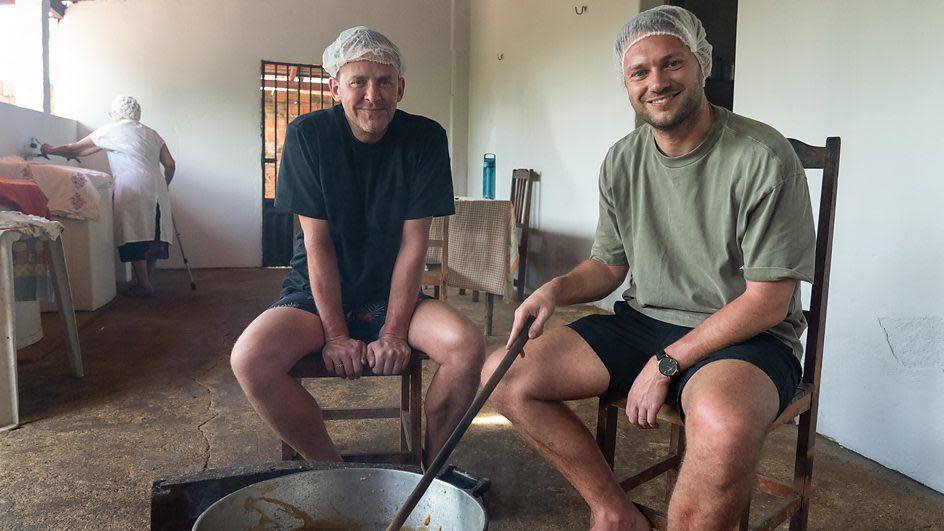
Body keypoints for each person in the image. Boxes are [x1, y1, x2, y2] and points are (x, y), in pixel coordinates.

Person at [481, 6, 815, 530]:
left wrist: (667, 362)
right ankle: (615, 511)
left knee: (724, 427)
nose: (656, 82)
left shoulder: (762, 156)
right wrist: (555, 290)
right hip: (645, 321)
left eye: (672, 64)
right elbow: (607, 266)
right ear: (626, 83)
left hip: (747, 335)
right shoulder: (622, 159)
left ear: (702, 63)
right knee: (503, 375)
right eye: (639, 72)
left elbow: (767, 301)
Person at [230, 27, 484, 466]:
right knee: (250, 359)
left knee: (467, 346)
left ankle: (434, 470)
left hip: (391, 296)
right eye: (358, 82)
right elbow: (318, 244)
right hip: (316, 294)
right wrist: (336, 336)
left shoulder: (425, 138)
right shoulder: (308, 136)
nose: (373, 95)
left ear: (400, 87)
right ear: (335, 87)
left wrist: (392, 331)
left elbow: (413, 245)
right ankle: (331, 471)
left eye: (384, 81)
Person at [41, 95, 176, 297]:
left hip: (133, 185)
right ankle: (147, 281)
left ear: (117, 113)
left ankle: (144, 285)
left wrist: (49, 149)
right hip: (157, 186)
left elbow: (74, 149)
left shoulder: (112, 130)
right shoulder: (152, 133)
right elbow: (170, 164)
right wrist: (164, 184)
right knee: (154, 233)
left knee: (134, 232)